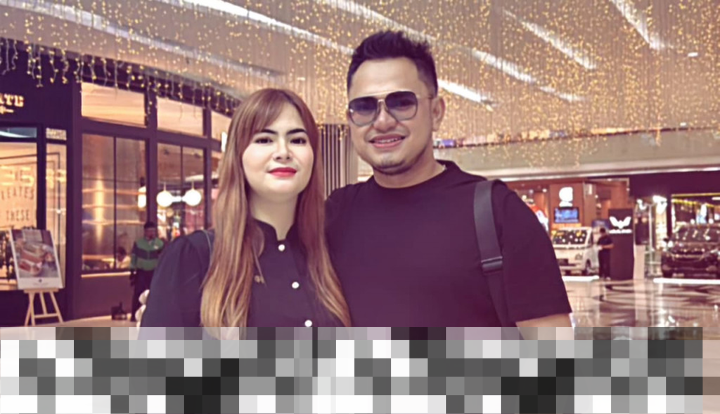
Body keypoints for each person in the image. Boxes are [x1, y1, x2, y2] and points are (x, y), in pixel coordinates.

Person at [326, 31, 573, 328]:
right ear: (350, 119)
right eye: (365, 107)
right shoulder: (335, 214)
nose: (383, 121)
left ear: (436, 112)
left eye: (402, 103)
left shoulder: (498, 214)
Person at [140, 88, 350, 329]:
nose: (283, 152)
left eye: (298, 140)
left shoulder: (332, 254)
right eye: (264, 140)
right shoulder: (194, 257)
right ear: (238, 156)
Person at [130, 221, 164, 322]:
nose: (151, 233)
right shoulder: (138, 243)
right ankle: (134, 315)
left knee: (154, 294)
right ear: (145, 231)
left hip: (154, 272)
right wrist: (132, 270)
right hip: (141, 272)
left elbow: (163, 258)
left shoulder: (160, 244)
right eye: (149, 231)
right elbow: (134, 257)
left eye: (153, 231)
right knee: (138, 293)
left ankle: (155, 315)